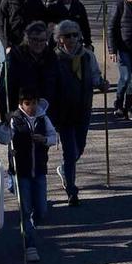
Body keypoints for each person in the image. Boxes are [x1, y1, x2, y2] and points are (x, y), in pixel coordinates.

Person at [49, 21, 105, 207]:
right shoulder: (54, 59)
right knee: (70, 151)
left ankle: (65, 170)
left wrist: (101, 84)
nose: (71, 39)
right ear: (59, 39)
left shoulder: (87, 56)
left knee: (79, 148)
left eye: (74, 35)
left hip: (83, 110)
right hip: (63, 113)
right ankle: (71, 189)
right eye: (67, 36)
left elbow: (95, 76)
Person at [6, 87, 60, 262]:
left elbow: (54, 137)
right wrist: (6, 126)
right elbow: (3, 138)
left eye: (34, 103)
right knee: (25, 208)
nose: (31, 107)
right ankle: (29, 244)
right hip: (22, 171)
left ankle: (32, 227)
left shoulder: (43, 118)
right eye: (27, 103)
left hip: (39, 171)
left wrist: (44, 140)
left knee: (41, 209)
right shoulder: (15, 120)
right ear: (21, 104)